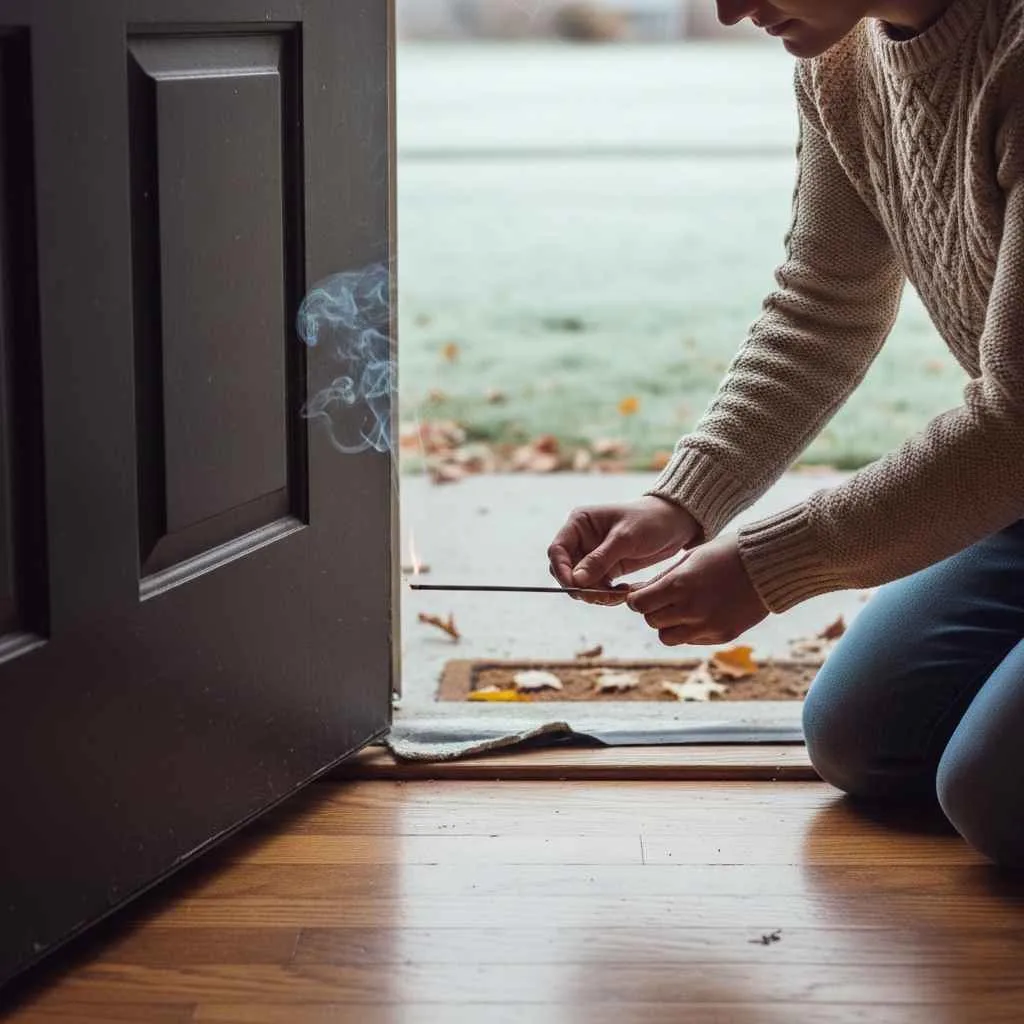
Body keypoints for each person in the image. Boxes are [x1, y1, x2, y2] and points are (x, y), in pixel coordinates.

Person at [548, 0, 1024, 865]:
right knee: (863, 736)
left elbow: (1019, 421)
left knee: (995, 797)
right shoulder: (840, 60)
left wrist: (767, 566)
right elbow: (822, 306)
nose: (728, 10)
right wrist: (682, 503)